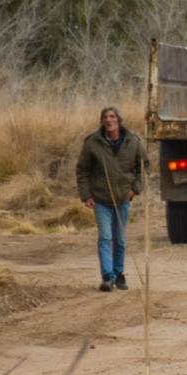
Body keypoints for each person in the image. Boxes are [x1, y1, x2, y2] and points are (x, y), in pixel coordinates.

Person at [76, 105, 147, 292]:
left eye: (112, 117)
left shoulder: (133, 141)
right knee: (105, 237)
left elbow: (143, 166)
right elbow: (82, 171)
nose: (109, 120)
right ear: (102, 121)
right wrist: (86, 195)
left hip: (123, 197)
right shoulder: (92, 143)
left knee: (120, 239)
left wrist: (135, 189)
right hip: (100, 199)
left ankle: (119, 274)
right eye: (105, 117)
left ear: (118, 120)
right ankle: (108, 277)